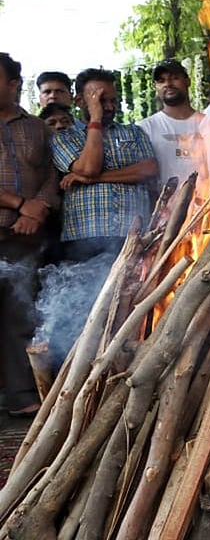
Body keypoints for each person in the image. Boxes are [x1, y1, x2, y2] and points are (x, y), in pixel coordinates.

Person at [0, 53, 59, 418]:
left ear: (12, 84)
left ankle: (23, 396)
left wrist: (39, 208)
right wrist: (20, 203)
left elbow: (54, 174)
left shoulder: (37, 127)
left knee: (22, 314)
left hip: (26, 236)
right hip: (15, 216)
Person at [51, 69, 157, 263]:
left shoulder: (134, 132)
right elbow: (89, 168)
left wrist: (93, 179)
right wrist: (95, 120)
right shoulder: (64, 137)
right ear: (80, 101)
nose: (108, 107)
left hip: (133, 235)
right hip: (84, 238)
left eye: (113, 101)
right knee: (81, 292)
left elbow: (149, 169)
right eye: (100, 101)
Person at [135, 60, 205, 190]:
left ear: (187, 81)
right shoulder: (145, 128)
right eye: (161, 81)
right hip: (165, 208)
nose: (168, 84)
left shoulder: (208, 123)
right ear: (156, 87)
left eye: (174, 78)